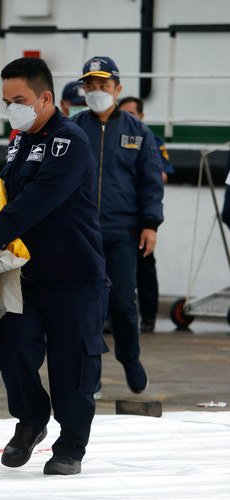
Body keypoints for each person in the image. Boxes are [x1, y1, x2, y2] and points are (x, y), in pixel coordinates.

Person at [0, 57, 108, 476]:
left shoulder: (71, 140)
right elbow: (6, 190)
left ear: (46, 98)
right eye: (7, 100)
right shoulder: (20, 141)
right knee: (11, 349)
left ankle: (71, 446)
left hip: (74, 275)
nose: (13, 108)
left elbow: (43, 196)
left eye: (21, 100)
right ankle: (31, 420)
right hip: (26, 274)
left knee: (72, 366)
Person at [72, 57, 164, 393]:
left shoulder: (138, 132)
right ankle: (91, 374)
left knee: (123, 304)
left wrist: (150, 224)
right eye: (90, 85)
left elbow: (150, 181)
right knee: (88, 307)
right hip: (80, 234)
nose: (96, 91)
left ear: (118, 89)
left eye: (103, 85)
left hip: (122, 234)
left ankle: (130, 358)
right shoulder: (72, 129)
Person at [119, 96, 174, 332]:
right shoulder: (110, 138)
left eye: (133, 113)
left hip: (139, 215)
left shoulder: (150, 139)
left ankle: (149, 315)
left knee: (144, 266)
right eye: (125, 113)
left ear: (141, 115)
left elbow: (161, 175)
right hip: (115, 214)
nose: (129, 117)